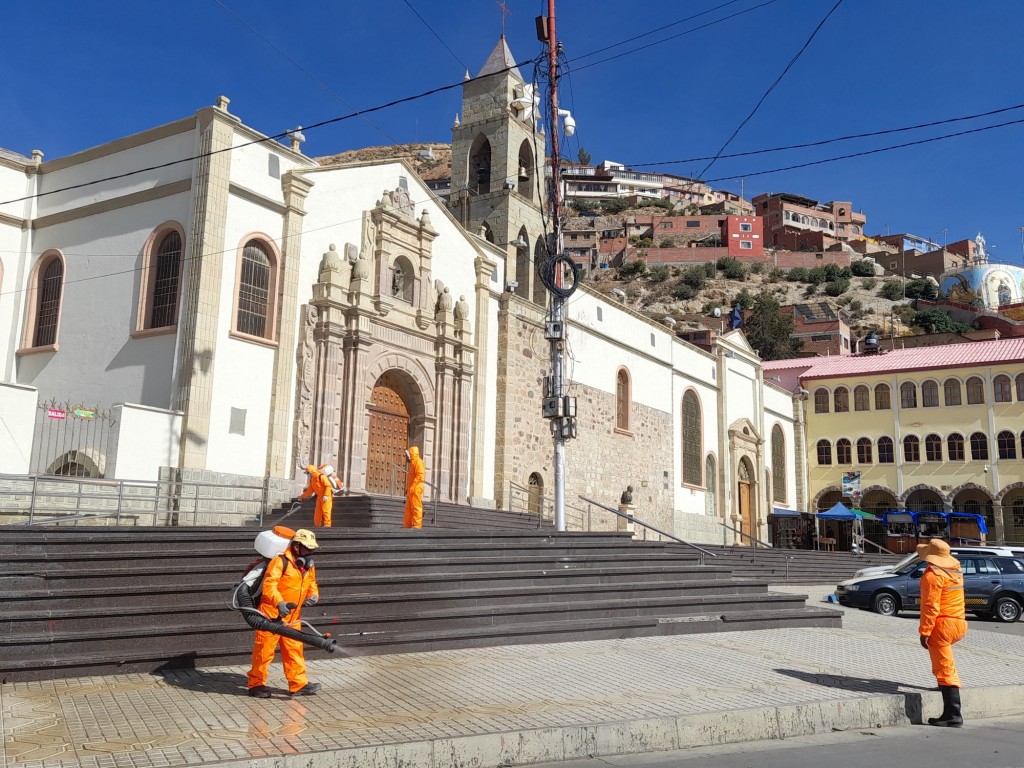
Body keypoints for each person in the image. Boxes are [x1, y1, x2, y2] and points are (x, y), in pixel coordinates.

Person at [247, 528, 322, 698]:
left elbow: (312, 584)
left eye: (312, 549)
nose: (310, 552)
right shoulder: (280, 562)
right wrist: (279, 602)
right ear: (296, 546)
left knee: (294, 649)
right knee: (264, 651)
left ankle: (298, 684)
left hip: (293, 617)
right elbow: (269, 585)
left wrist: (314, 595)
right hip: (271, 615)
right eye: (307, 548)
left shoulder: (308, 566)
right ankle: (256, 685)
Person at [917, 538, 967, 727]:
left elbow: (930, 606)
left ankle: (953, 714)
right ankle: (944, 688)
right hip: (958, 623)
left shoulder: (933, 575)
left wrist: (925, 631)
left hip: (941, 626)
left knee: (945, 667)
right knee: (944, 664)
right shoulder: (955, 572)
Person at [298, 464, 333, 528]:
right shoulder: (312, 480)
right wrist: (302, 496)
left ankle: (327, 525)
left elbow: (328, 485)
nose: (307, 475)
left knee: (326, 511)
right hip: (319, 497)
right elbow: (310, 490)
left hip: (326, 497)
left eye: (307, 473)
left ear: (311, 471)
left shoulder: (321, 476)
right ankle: (317, 525)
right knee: (317, 512)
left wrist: (325, 495)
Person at [403, 446, 425, 529]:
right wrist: (408, 489)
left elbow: (420, 476)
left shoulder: (418, 462)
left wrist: (412, 487)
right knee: (408, 508)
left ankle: (417, 525)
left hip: (416, 488)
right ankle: (407, 525)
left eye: (408, 454)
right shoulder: (413, 463)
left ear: (412, 454)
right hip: (412, 488)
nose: (407, 456)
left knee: (416, 506)